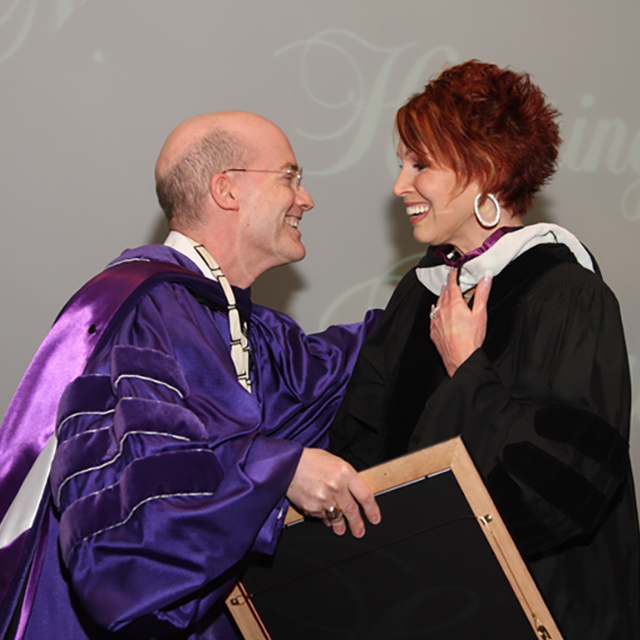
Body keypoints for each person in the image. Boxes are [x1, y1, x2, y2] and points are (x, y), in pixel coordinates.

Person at [0, 111, 381, 640]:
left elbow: (344, 367)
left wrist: (470, 271)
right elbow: (129, 536)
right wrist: (281, 471)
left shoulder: (238, 327)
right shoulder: (140, 311)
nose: (306, 198)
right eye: (289, 177)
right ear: (226, 190)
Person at [330, 61, 640, 639]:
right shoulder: (419, 291)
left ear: (487, 169)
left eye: (420, 164)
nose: (400, 185)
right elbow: (365, 439)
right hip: (421, 605)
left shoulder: (568, 295)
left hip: (538, 611)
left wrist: (467, 370)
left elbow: (570, 488)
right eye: (402, 163)